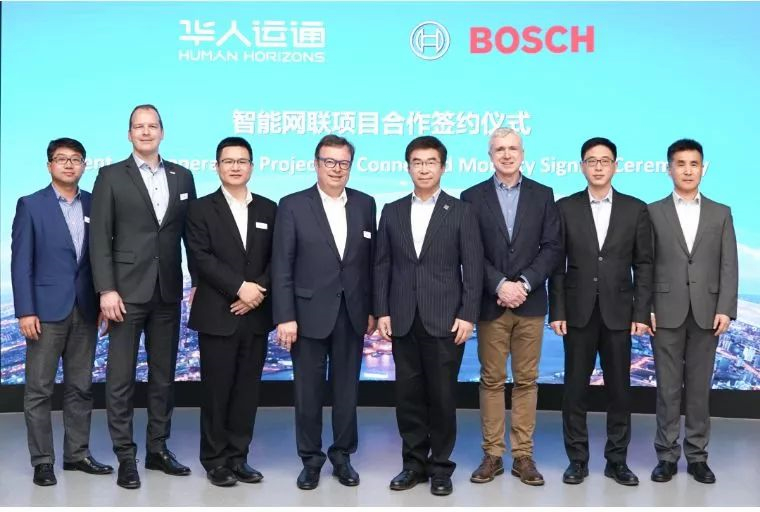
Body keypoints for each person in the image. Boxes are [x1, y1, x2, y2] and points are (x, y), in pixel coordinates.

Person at [89, 104, 197, 489]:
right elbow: (99, 237)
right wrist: (106, 289)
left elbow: (191, 235)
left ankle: (157, 449)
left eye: (152, 126)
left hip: (168, 290)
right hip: (125, 293)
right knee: (120, 379)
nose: (146, 132)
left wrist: (196, 282)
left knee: (163, 377)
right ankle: (125, 456)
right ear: (129, 134)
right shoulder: (110, 176)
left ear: (162, 132)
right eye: (139, 126)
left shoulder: (182, 176)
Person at [374, 135, 483, 496]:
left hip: (446, 319)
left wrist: (468, 315)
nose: (423, 169)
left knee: (442, 397)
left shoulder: (462, 211)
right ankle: (413, 464)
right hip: (403, 317)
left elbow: (473, 268)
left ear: (443, 167)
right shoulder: (391, 210)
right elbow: (382, 265)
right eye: (417, 162)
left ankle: (441, 467)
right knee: (408, 397)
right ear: (408, 167)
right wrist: (382, 310)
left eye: (430, 162)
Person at [271, 134, 376, 490]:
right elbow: (282, 265)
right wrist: (285, 316)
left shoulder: (365, 204)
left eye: (343, 163)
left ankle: (342, 456)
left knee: (347, 392)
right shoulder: (292, 205)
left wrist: (372, 310)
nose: (336, 169)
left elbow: (371, 264)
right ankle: (311, 460)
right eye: (329, 161)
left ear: (351, 166)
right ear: (316, 164)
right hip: (306, 315)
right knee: (308, 393)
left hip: (352, 313)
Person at [461, 127, 562, 486]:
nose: (506, 154)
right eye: (499, 149)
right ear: (490, 155)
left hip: (530, 303)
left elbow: (552, 247)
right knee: (491, 380)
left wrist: (524, 284)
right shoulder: (471, 197)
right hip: (491, 303)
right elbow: (471, 251)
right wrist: (500, 285)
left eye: (512, 148)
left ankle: (523, 456)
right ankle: (492, 454)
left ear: (523, 154)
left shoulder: (543, 194)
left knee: (527, 381)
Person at [549, 137, 653, 486]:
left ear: (615, 166)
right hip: (577, 312)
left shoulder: (635, 209)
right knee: (574, 391)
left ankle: (616, 461)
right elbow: (557, 266)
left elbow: (644, 264)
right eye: (591, 160)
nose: (597, 166)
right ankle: (577, 460)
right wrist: (557, 310)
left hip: (619, 313)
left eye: (604, 160)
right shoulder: (565, 207)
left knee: (619, 392)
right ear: (582, 166)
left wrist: (641, 312)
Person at [11, 138, 113, 486]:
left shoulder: (95, 204)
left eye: (76, 159)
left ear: (84, 165)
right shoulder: (31, 205)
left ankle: (77, 454)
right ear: (49, 165)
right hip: (44, 312)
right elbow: (21, 263)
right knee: (39, 390)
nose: (69, 165)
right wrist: (25, 310)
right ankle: (43, 461)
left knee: (80, 388)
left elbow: (102, 258)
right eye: (61, 159)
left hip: (85, 309)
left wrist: (102, 299)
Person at [185, 137, 277, 487]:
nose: (235, 167)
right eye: (228, 161)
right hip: (217, 313)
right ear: (217, 166)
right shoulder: (199, 209)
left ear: (252, 166)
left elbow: (278, 258)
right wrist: (240, 288)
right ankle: (215, 460)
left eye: (242, 161)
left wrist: (256, 292)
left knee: (247, 392)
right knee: (216, 391)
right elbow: (201, 257)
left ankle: (239, 457)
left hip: (256, 314)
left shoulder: (269, 209)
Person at [647, 139, 737, 484]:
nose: (687, 170)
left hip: (707, 313)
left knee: (699, 391)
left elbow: (729, 265)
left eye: (694, 164)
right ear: (668, 169)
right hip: (664, 311)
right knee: (667, 390)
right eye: (680, 164)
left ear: (703, 168)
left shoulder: (721, 212)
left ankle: (698, 457)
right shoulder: (652, 212)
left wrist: (725, 308)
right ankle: (666, 456)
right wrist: (646, 307)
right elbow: (645, 265)